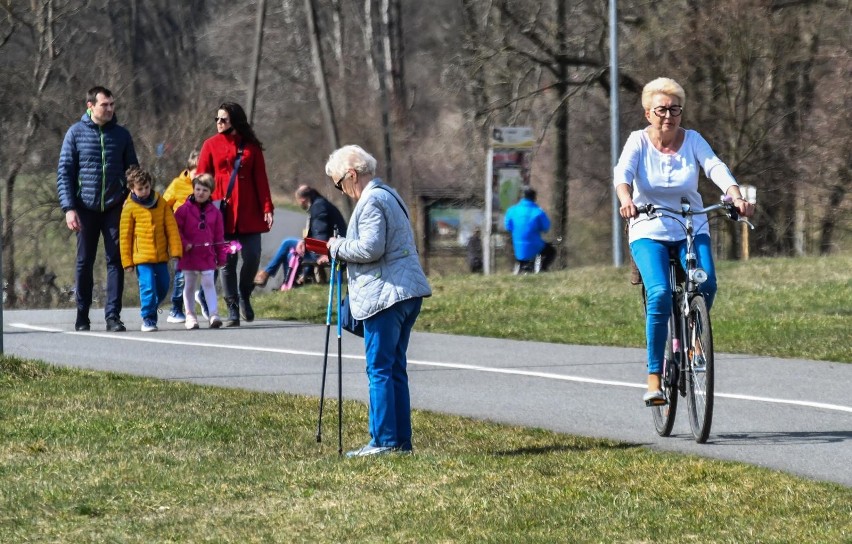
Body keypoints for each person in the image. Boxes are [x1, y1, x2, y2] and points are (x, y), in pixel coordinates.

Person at [613, 77, 755, 404]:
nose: (669, 116)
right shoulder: (637, 142)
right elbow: (623, 175)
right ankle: (654, 377)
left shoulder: (693, 140)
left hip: (691, 225)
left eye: (675, 109)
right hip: (648, 227)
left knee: (708, 284)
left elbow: (714, 167)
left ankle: (694, 341)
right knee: (661, 293)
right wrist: (626, 199)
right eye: (661, 109)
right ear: (648, 112)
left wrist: (734, 195)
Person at [324, 145, 432, 457]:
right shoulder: (390, 194)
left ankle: (384, 441)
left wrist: (336, 247)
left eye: (339, 183)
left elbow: (371, 248)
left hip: (386, 296)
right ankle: (400, 442)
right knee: (395, 367)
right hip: (404, 292)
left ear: (352, 175)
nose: (341, 190)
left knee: (380, 369)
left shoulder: (371, 201)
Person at [57, 85, 139, 332]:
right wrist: (69, 208)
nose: (110, 109)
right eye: (105, 105)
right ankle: (82, 315)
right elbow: (64, 173)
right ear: (90, 106)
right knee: (84, 261)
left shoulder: (122, 135)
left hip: (116, 206)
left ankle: (113, 316)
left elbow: (133, 170)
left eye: (113, 104)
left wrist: (131, 198)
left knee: (116, 260)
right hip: (85, 207)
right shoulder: (75, 133)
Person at [196, 102, 274, 327]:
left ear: (235, 121)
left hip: (250, 212)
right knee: (227, 262)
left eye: (223, 120)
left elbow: (261, 179)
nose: (219, 123)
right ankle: (231, 307)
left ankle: (244, 293)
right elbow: (202, 179)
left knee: (252, 256)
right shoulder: (210, 145)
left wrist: (267, 207)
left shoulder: (251, 147)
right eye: (217, 119)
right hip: (223, 213)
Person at [119, 166, 183, 332]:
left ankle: (151, 308)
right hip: (141, 258)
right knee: (148, 287)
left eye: (147, 187)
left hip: (161, 256)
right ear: (132, 188)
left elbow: (171, 227)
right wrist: (127, 262)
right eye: (140, 189)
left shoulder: (160, 202)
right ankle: (148, 318)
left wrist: (176, 251)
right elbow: (125, 236)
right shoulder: (130, 207)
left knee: (163, 286)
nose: (145, 191)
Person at [254, 185, 347, 288]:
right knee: (289, 252)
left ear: (302, 199)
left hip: (328, 249)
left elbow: (321, 232)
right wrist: (304, 242)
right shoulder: (319, 203)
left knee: (287, 242)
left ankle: (267, 273)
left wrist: (322, 253)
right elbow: (317, 232)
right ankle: (287, 284)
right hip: (328, 246)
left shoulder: (318, 207)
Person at [174, 174, 227, 330]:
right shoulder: (183, 210)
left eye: (205, 190)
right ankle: (190, 315)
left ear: (210, 192)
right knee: (189, 285)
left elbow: (219, 236)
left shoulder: (215, 213)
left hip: (207, 256)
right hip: (189, 255)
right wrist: (184, 244)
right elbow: (176, 230)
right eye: (197, 189)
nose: (200, 193)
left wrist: (221, 256)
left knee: (209, 284)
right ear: (193, 189)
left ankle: (214, 315)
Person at [162, 150, 200, 323]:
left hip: (201, 236)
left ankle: (198, 303)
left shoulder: (207, 185)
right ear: (189, 170)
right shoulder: (178, 184)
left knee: (203, 272)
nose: (199, 175)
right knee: (181, 273)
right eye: (196, 172)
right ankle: (176, 309)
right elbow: (164, 205)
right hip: (181, 235)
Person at [504, 186, 556, 271]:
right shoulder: (538, 212)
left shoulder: (511, 211)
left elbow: (508, 227)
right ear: (534, 198)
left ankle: (519, 267)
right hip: (535, 246)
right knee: (551, 250)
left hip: (518, 248)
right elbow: (546, 228)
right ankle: (542, 268)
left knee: (517, 248)